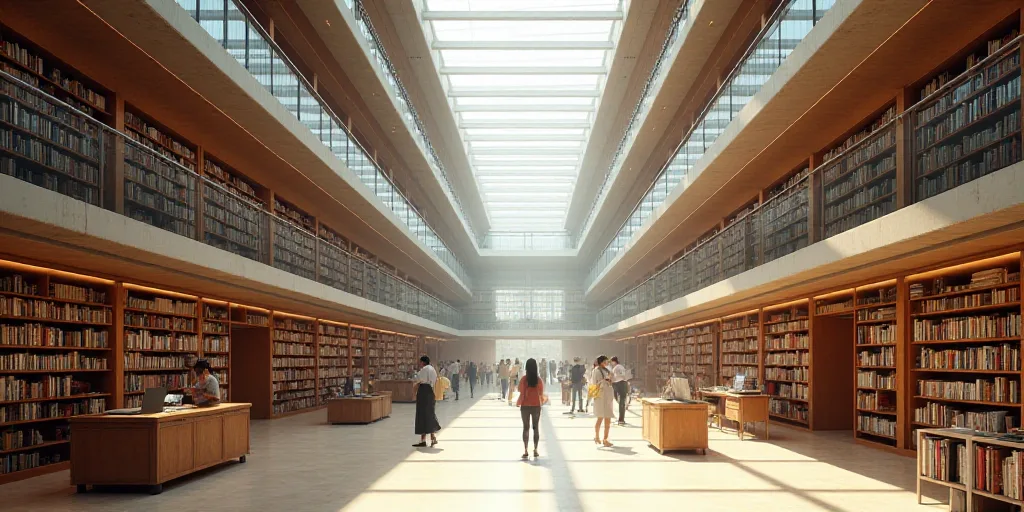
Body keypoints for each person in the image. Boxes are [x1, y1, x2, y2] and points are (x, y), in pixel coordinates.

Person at [516, 358, 546, 459]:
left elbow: (520, 389)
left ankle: (525, 450)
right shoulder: (539, 380)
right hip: (536, 405)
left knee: (525, 428)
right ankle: (536, 450)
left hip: (525, 405)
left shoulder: (524, 379)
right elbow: (541, 392)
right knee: (535, 427)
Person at [413, 356, 441, 447]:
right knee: (429, 414)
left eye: (420, 362)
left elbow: (419, 379)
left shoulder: (424, 369)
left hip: (423, 391)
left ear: (422, 362)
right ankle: (433, 438)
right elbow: (434, 380)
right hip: (430, 391)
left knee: (422, 414)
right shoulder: (432, 369)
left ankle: (423, 440)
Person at [591, 356, 614, 447]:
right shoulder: (596, 371)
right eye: (605, 361)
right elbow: (596, 383)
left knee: (608, 418)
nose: (607, 363)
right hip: (601, 396)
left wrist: (609, 380)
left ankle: (605, 439)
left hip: (607, 396)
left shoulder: (606, 370)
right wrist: (605, 380)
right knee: (600, 417)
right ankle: (597, 437)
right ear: (601, 362)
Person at [610, 357, 629, 426]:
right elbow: (624, 376)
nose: (611, 363)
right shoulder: (621, 367)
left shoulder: (615, 368)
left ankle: (621, 419)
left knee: (620, 401)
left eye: (611, 362)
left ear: (614, 361)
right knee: (622, 401)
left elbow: (613, 377)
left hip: (618, 384)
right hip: (624, 383)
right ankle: (621, 419)